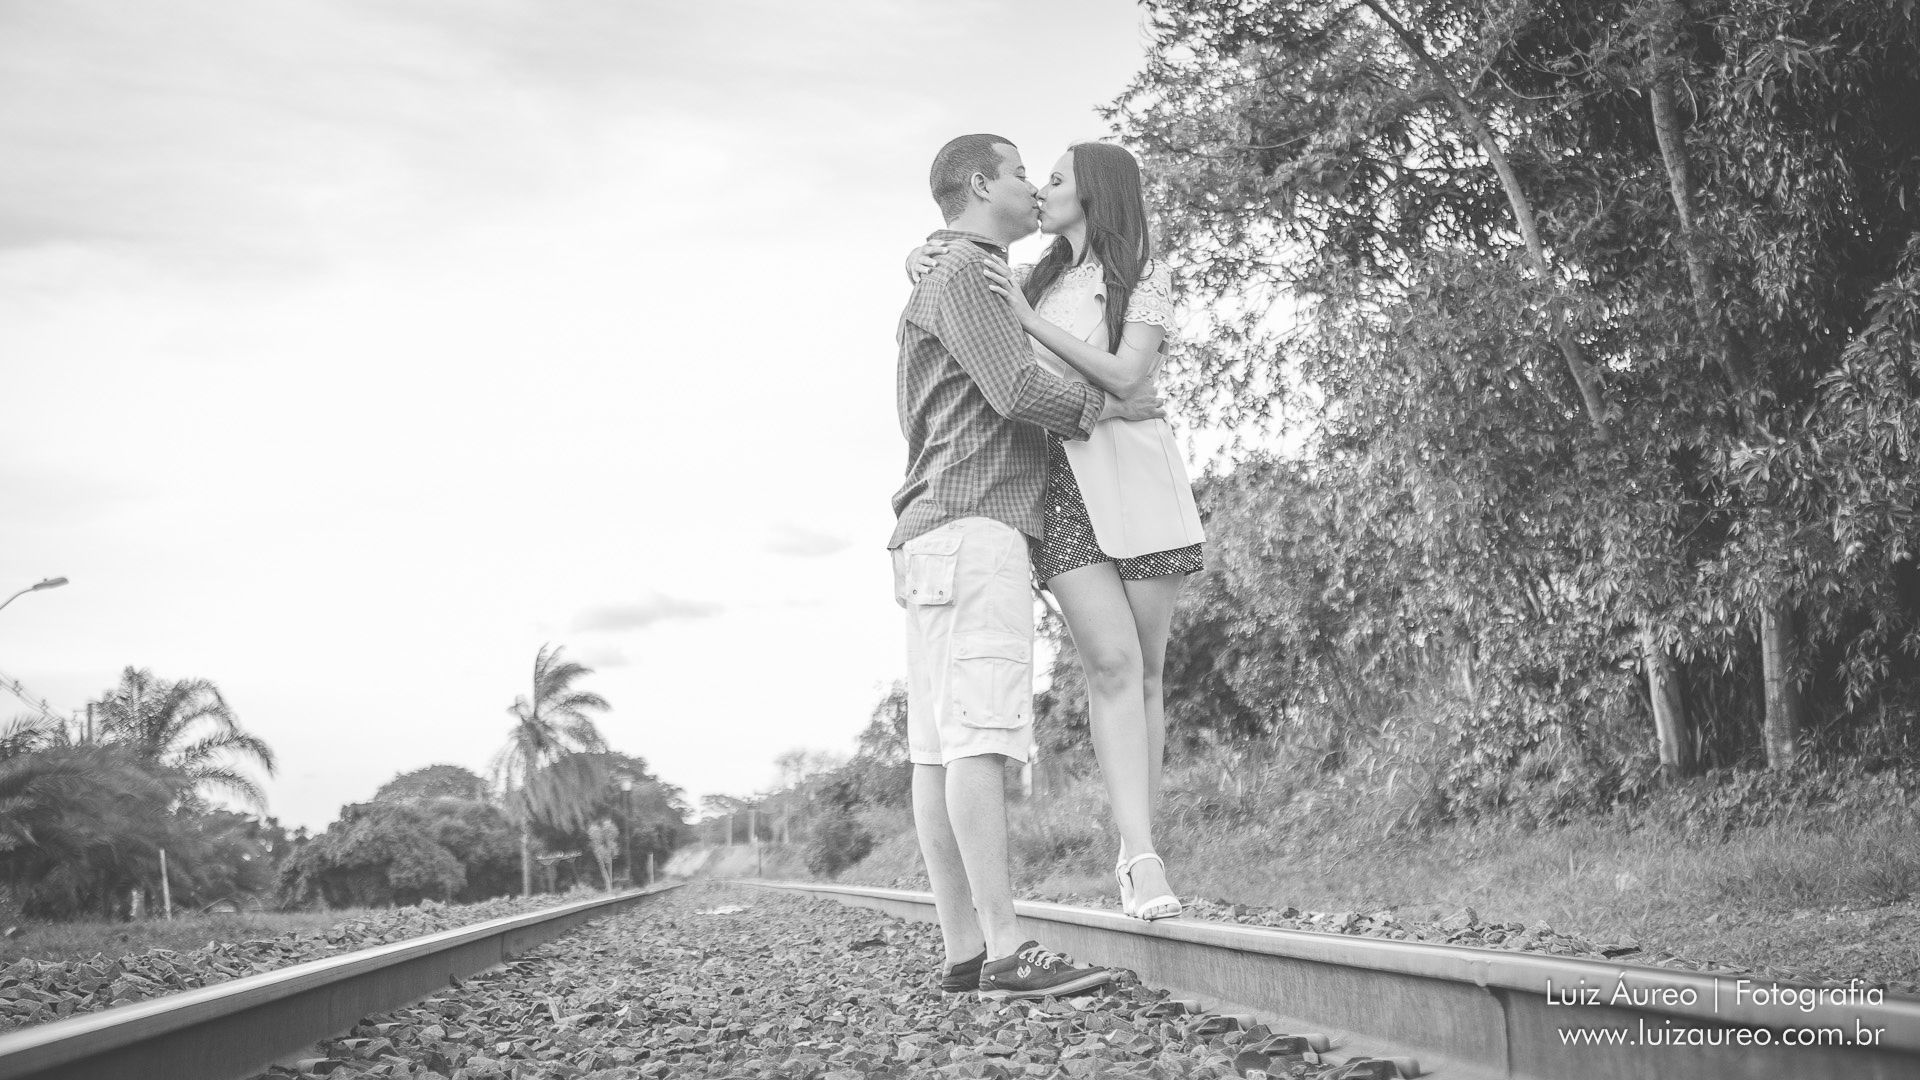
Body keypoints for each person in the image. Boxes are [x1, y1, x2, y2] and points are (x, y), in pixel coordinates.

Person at [892, 133, 1166, 999]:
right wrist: (1109, 406)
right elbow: (1015, 388)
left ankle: (965, 952)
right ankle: (1007, 950)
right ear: (982, 184)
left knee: (937, 749)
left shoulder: (952, 269)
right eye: (1019, 172)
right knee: (976, 738)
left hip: (935, 529)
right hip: (977, 524)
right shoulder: (971, 271)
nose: (1031, 185)